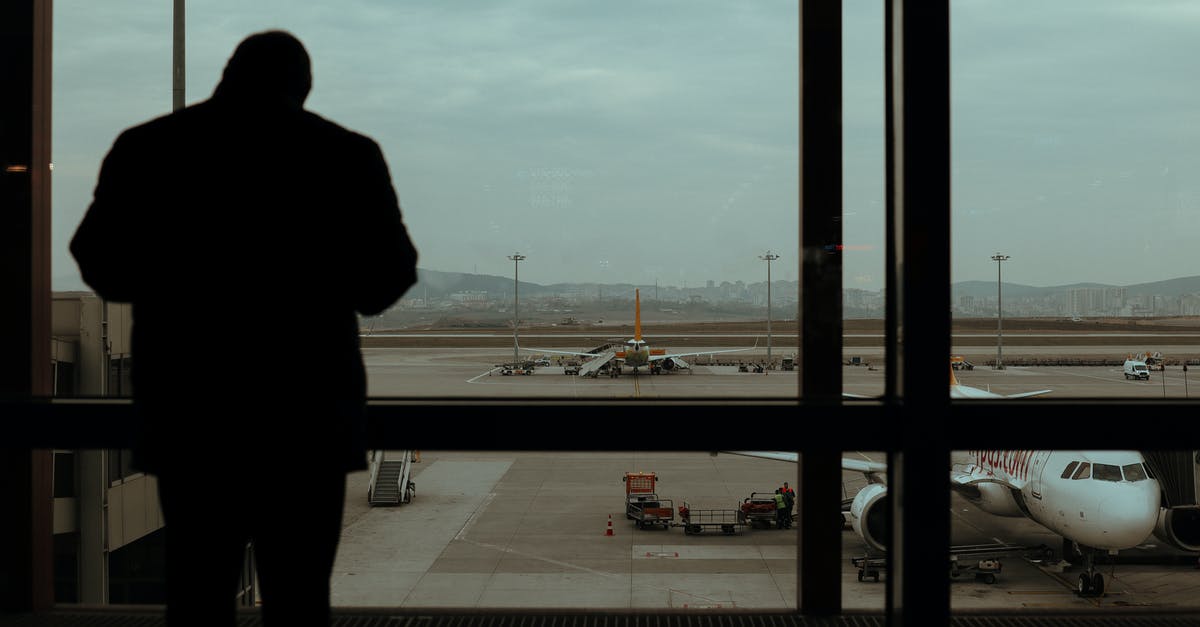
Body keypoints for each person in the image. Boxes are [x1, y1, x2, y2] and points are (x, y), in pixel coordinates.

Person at [70, 30, 419, 626]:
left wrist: (180, 287)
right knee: (302, 597)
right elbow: (389, 279)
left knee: (197, 594)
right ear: (303, 86)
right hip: (305, 414)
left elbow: (98, 261)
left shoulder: (148, 147)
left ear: (227, 74)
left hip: (192, 412)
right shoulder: (345, 153)